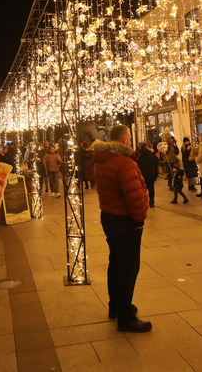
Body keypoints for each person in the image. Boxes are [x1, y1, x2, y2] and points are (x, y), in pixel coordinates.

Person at [91, 125, 152, 333]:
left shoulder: (102, 159)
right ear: (125, 140)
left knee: (116, 263)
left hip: (108, 217)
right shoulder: (125, 162)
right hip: (125, 221)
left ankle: (116, 306)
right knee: (128, 268)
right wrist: (140, 219)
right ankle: (126, 317)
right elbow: (134, 195)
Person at [135, 141, 159, 208]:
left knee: (141, 189)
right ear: (147, 147)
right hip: (151, 173)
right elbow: (157, 161)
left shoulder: (138, 154)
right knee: (151, 188)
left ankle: (143, 202)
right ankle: (151, 202)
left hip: (141, 174)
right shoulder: (151, 154)